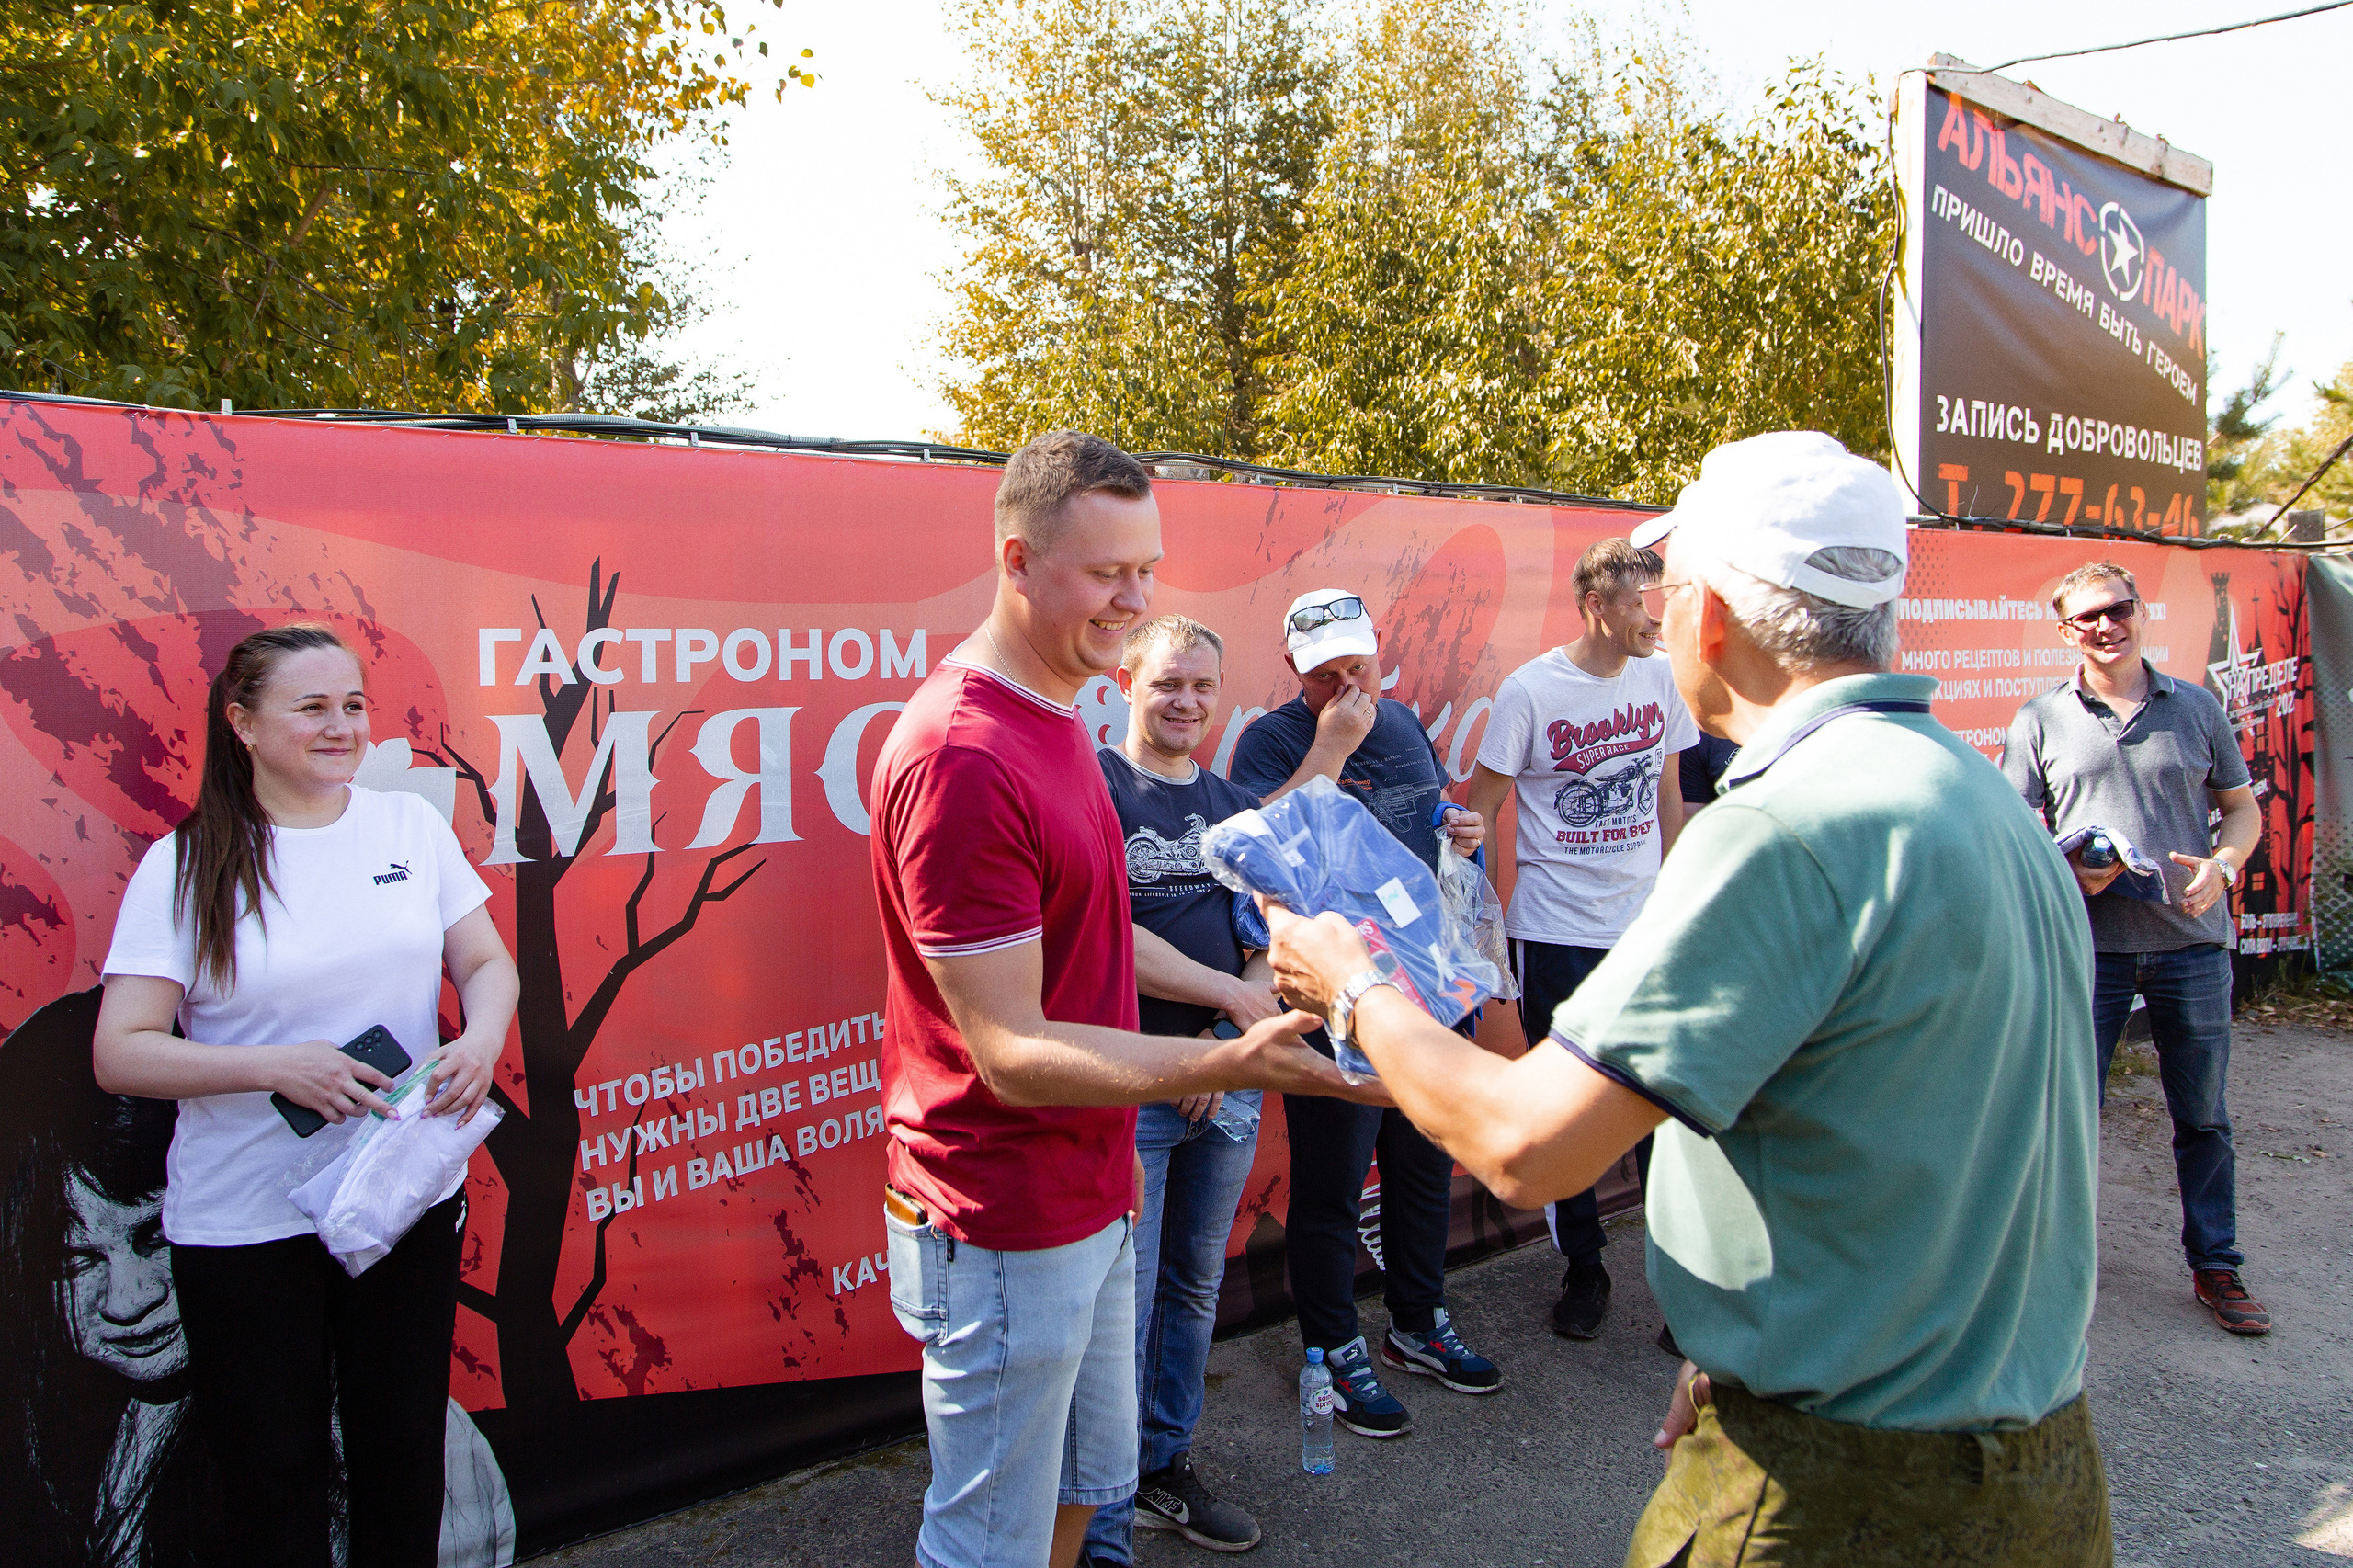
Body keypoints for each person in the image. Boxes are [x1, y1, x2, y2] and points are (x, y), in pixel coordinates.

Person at [1264, 432, 2111, 1567]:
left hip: (1838, 1491)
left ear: (1707, 617)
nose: (1654, 620)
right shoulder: (1973, 794)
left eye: (1665, 593)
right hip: (2040, 1469)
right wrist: (1743, 1344)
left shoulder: (1781, 827)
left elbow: (1524, 1149)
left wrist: (1349, 980)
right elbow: (1913, 1135)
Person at [867, 431, 1361, 1568]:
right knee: (986, 1541)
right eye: (1106, 573)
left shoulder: (1058, 720)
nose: (1135, 600)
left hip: (1093, 1189)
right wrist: (1234, 1063)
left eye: (1146, 569)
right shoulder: (964, 753)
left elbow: (1103, 937)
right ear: (1017, 560)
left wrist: (1242, 992)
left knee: (1088, 1496)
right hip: (1002, 1216)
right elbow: (1011, 1051)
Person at [92, 621, 522, 1568]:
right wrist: (275, 1065)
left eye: (355, 705)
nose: (343, 727)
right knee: (272, 1474)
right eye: (314, 707)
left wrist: (481, 1037)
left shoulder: (408, 826)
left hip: (398, 1197)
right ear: (242, 723)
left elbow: (486, 961)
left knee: (401, 1455)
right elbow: (120, 1051)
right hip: (245, 1223)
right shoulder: (188, 862)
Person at [1227, 587, 1499, 1440]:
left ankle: (1417, 1322)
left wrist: (1461, 830)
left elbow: (1427, 825)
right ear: (1293, 672)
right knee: (1334, 1186)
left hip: (1424, 989)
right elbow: (1253, 847)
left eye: (1359, 666)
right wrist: (1332, 747)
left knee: (1422, 1169)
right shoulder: (1272, 739)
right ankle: (1333, 1350)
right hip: (1334, 993)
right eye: (1325, 674)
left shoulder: (1408, 723)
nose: (1347, 685)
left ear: (1381, 654)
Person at [2001, 561, 2269, 1335]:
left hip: (2191, 944)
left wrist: (2223, 865)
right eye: (2086, 618)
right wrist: (2068, 873)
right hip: (2089, 951)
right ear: (2065, 632)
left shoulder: (2196, 708)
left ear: (2140, 611)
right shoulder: (2040, 718)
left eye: (2116, 609)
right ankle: (2054, 1270)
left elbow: (2242, 814)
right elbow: (2017, 830)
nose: (2104, 626)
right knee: (2066, 1118)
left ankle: (2217, 1267)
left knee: (2204, 1119)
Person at [1462, 537, 1697, 1341]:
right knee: (1570, 1113)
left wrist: (1674, 895)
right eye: (1639, 603)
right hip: (1556, 929)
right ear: (1597, 606)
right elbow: (1481, 810)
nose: (1653, 618)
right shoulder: (1531, 691)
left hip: (1645, 929)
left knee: (1667, 1107)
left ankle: (1682, 1285)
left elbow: (1668, 787)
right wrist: (1485, 929)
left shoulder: (1662, 675)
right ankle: (1585, 1266)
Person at [1085, 614, 1278, 1562]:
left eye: (1203, 685)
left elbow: (1267, 945)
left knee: (1196, 1282)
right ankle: (1103, 1515)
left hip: (1227, 1079)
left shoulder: (1233, 803)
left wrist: (1217, 1043)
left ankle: (1165, 1464)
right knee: (1121, 1302)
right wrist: (1194, 1050)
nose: (1186, 702)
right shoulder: (1091, 788)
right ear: (1125, 679)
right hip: (1128, 1087)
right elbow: (1103, 934)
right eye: (1168, 683)